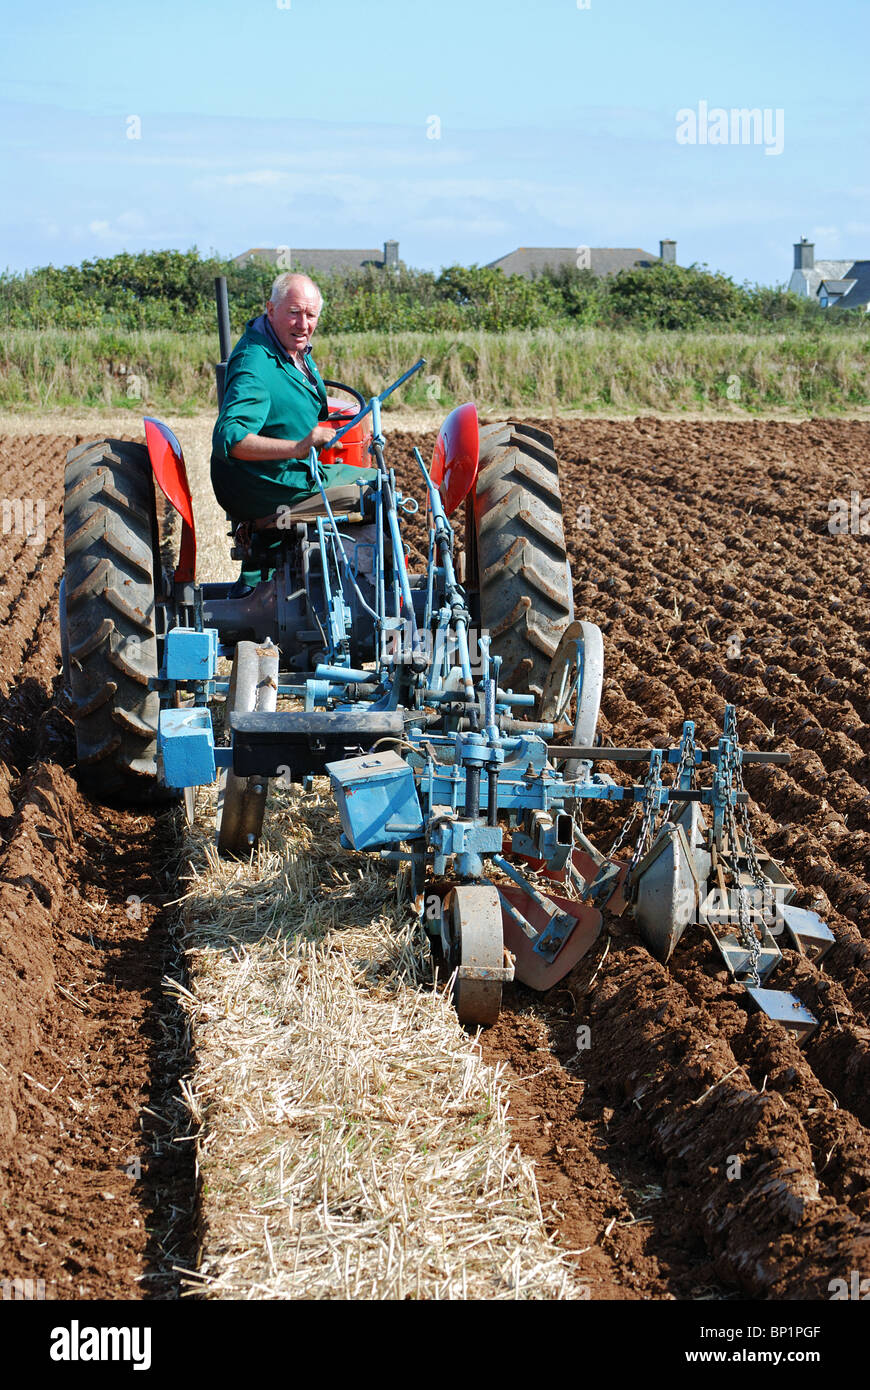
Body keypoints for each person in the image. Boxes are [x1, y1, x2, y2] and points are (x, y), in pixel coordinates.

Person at [211, 271, 378, 586]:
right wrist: (299, 447)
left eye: (311, 315)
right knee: (382, 490)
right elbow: (230, 438)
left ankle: (289, 575)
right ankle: (363, 586)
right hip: (274, 482)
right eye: (294, 313)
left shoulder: (289, 350)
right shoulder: (254, 364)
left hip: (285, 473)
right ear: (271, 310)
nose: (304, 323)